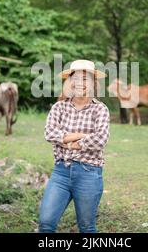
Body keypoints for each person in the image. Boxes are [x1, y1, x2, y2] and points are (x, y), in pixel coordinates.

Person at [39, 59, 110, 233]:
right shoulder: (59, 108)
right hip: (61, 173)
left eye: (85, 79)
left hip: (89, 173)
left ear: (93, 83)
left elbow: (100, 140)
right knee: (46, 223)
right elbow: (49, 133)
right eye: (75, 78)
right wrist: (83, 136)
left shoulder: (100, 110)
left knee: (86, 227)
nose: (80, 83)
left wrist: (71, 145)